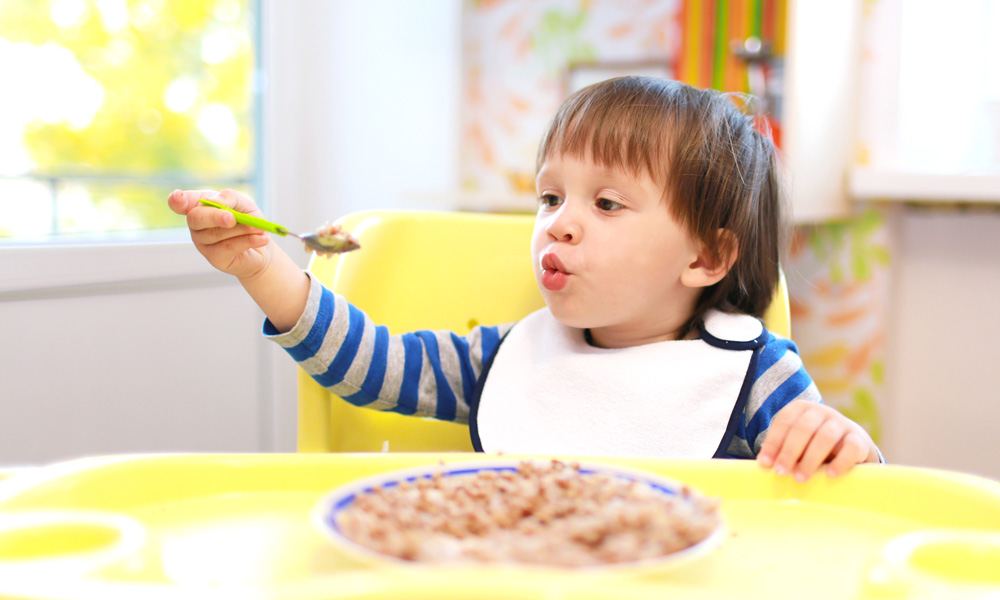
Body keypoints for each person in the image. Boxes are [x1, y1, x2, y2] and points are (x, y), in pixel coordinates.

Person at [168, 76, 881, 482]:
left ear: (705, 259)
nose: (559, 224)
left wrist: (847, 446)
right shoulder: (507, 355)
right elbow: (372, 367)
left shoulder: (755, 374)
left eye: (606, 204)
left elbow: (845, 494)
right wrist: (263, 269)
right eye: (550, 197)